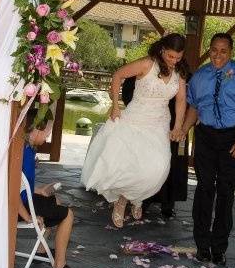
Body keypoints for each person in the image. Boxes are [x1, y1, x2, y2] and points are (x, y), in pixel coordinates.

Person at [80, 33, 188, 228]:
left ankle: (137, 198)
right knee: (130, 164)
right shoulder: (147, 63)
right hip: (135, 119)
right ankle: (122, 201)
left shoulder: (179, 72)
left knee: (158, 168)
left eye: (178, 58)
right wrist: (115, 105)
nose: (174, 61)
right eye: (171, 57)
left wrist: (178, 126)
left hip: (159, 123)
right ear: (163, 50)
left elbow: (181, 100)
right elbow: (118, 75)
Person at [179, 32, 235, 266]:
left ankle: (219, 247)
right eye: (214, 50)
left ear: (231, 52)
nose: (217, 55)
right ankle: (202, 245)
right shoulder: (200, 76)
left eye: (223, 51)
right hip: (206, 136)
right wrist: (183, 130)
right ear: (209, 50)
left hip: (233, 137)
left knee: (226, 192)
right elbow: (194, 108)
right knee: (204, 188)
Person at [21, 113, 85, 268]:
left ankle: (41, 250)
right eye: (47, 134)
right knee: (67, 214)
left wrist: (38, 189)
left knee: (54, 201)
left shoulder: (25, 148)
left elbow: (19, 184)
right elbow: (12, 191)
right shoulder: (23, 153)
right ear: (35, 130)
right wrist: (28, 217)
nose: (47, 138)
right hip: (17, 206)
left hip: (19, 201)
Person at [120, 75, 188, 220]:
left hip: (175, 125)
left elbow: (189, 100)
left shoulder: (184, 75)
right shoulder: (145, 69)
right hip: (147, 124)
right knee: (144, 162)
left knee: (170, 165)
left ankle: (168, 204)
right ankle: (142, 200)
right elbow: (128, 93)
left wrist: (181, 126)